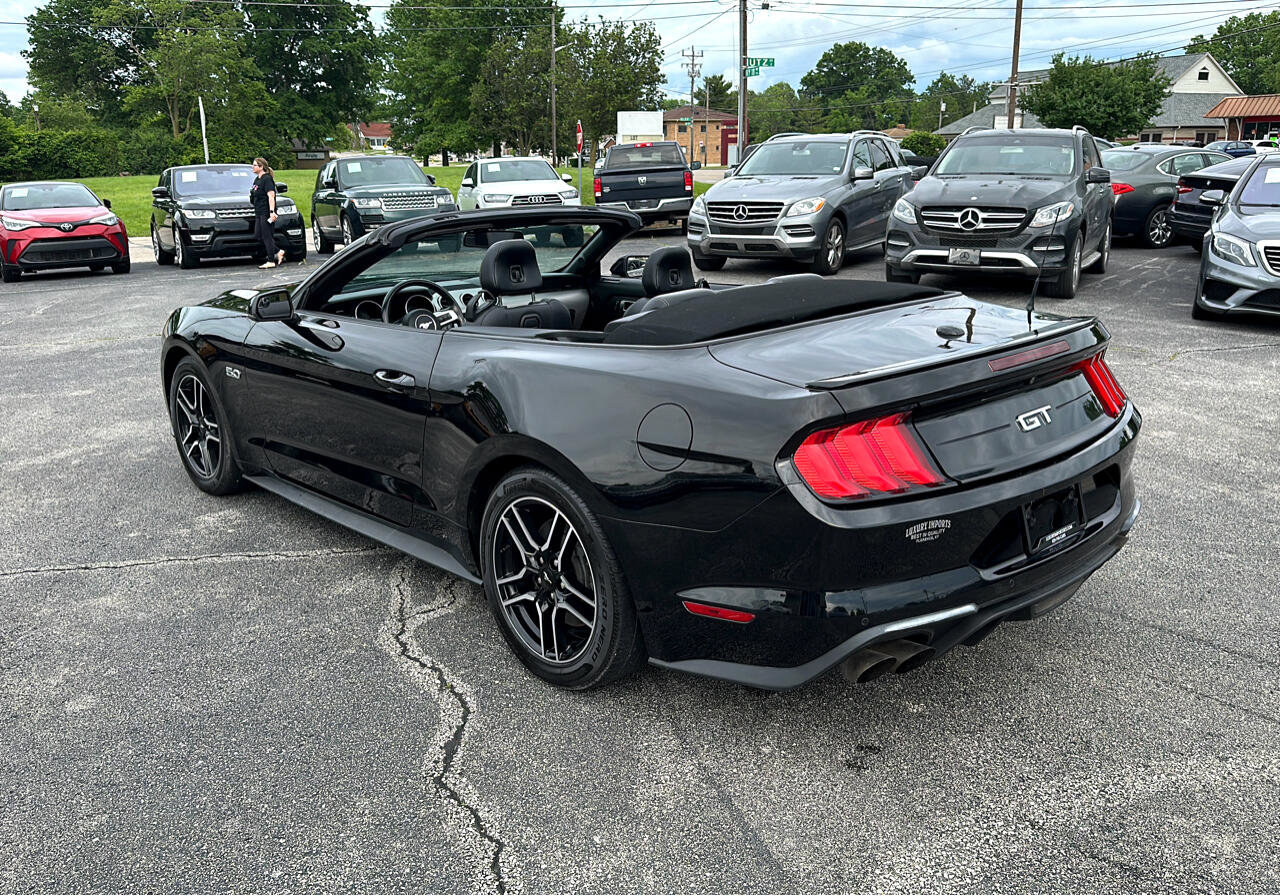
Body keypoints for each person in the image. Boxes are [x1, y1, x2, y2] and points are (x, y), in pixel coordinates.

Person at [250, 157, 286, 268]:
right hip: (259, 211)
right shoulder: (257, 180)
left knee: (267, 236)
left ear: (261, 167)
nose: (253, 167)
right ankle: (279, 251)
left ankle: (270, 260)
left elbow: (271, 195)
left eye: (255, 165)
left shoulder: (267, 179)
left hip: (266, 212)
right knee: (258, 235)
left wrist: (272, 212)